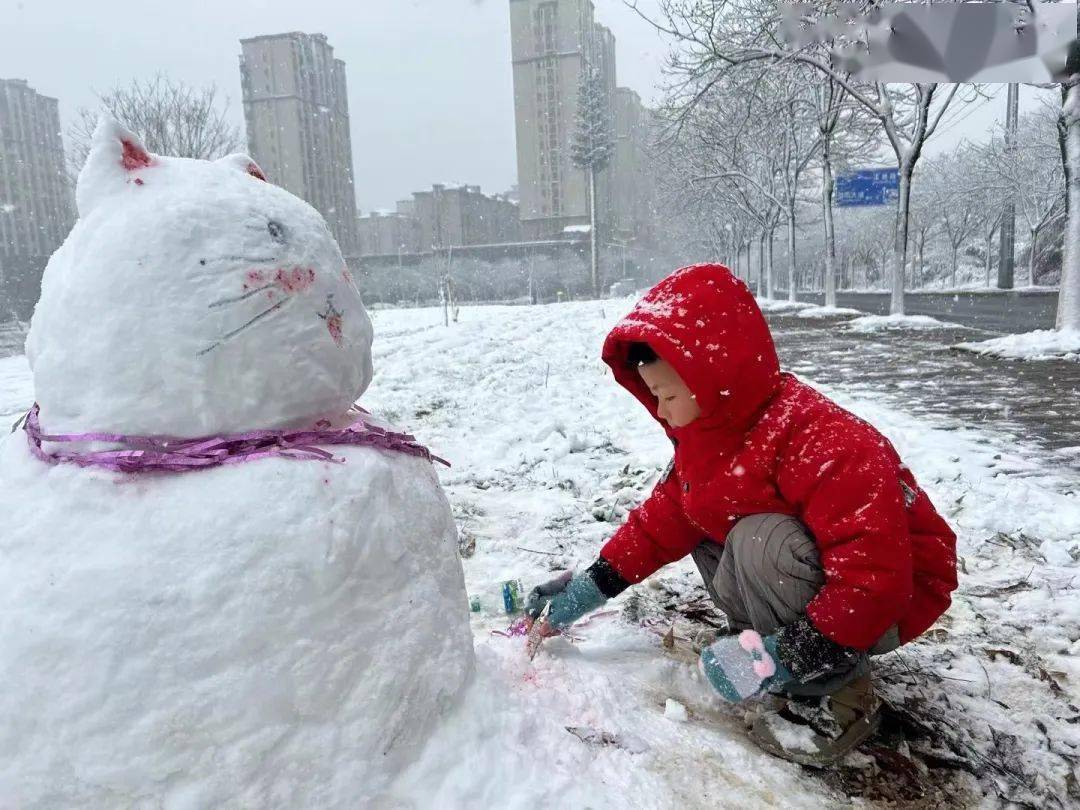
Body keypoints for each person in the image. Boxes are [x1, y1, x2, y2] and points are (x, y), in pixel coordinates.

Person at [525, 263, 957, 767]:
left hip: (888, 600)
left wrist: (780, 656)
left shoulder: (825, 442)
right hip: (839, 586)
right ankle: (775, 643)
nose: (659, 411)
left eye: (666, 395)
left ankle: (835, 694)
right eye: (652, 395)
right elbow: (663, 522)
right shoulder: (712, 439)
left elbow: (877, 578)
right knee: (708, 525)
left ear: (711, 379)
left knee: (756, 538)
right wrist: (590, 587)